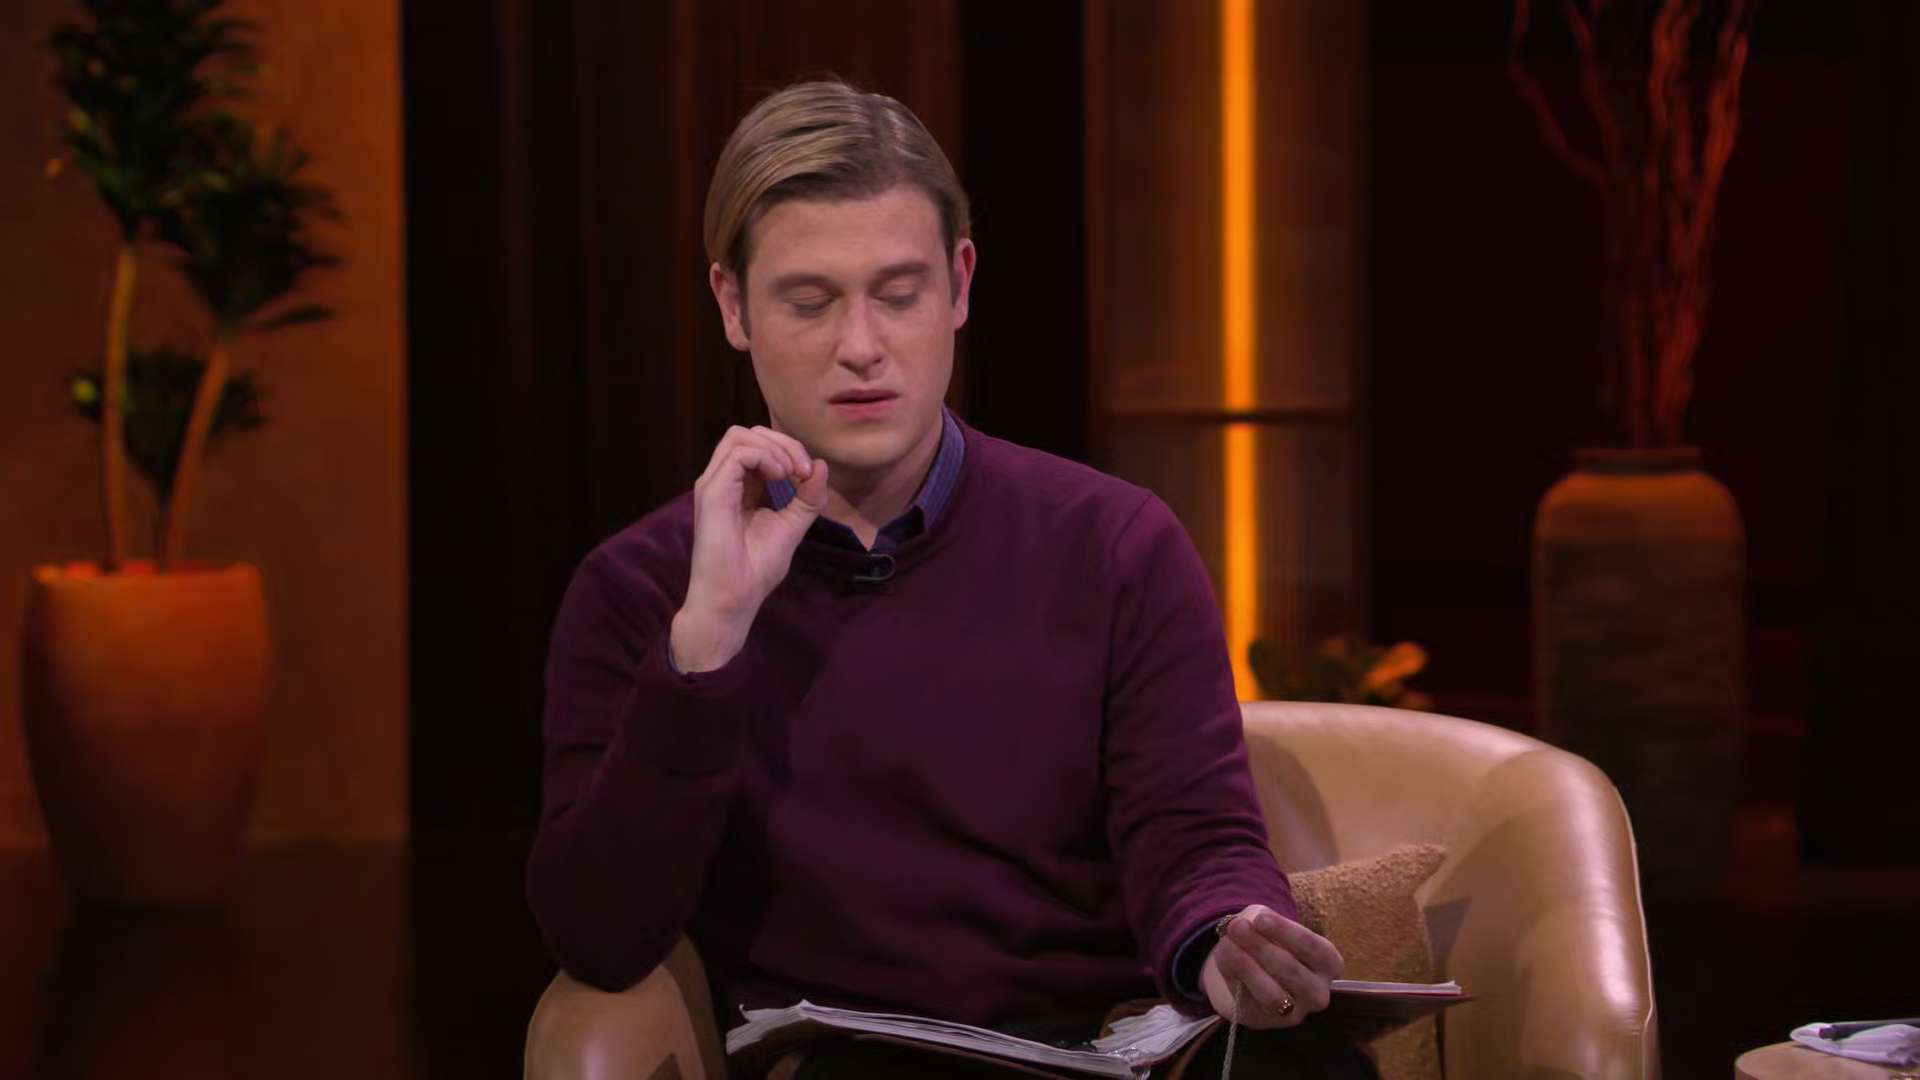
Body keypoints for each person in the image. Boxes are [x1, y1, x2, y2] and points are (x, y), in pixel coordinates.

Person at [526, 78, 1372, 1079]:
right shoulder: (640, 591)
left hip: (1102, 1046)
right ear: (732, 305)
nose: (861, 348)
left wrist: (1225, 935)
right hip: (852, 1058)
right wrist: (704, 649)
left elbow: (1193, 835)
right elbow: (599, 937)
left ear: (960, 285)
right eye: (810, 301)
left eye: (899, 294)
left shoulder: (1115, 545)